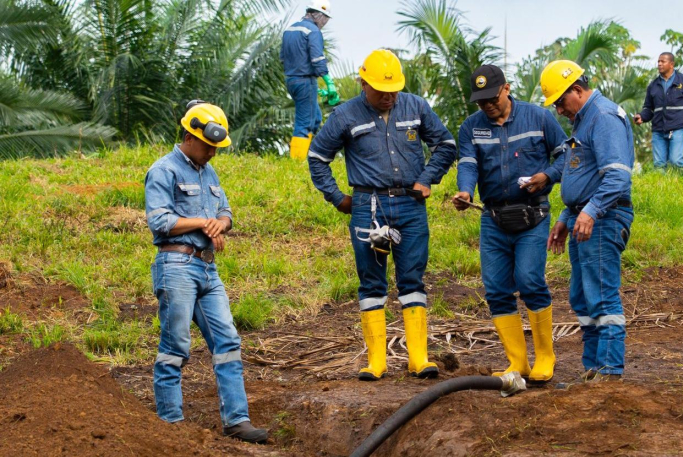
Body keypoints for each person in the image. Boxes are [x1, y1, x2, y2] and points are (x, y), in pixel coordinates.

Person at [308, 49, 457, 381]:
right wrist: (337, 198)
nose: (389, 96)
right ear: (363, 83)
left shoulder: (416, 106)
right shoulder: (344, 115)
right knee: (371, 282)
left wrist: (427, 178)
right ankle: (376, 361)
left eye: (394, 90)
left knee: (412, 280)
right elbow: (317, 158)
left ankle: (418, 359)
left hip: (410, 205)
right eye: (381, 90)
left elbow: (446, 145)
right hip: (368, 206)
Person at [144, 101, 268, 443]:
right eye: (208, 145)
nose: (213, 152)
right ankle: (171, 425)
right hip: (176, 266)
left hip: (207, 268)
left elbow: (225, 212)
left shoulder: (209, 172)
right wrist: (203, 223)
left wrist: (219, 225)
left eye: (216, 147)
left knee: (228, 342)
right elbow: (159, 220)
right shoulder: (163, 170)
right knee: (176, 345)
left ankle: (237, 420)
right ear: (189, 137)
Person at [452, 64, 567, 384]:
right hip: (493, 218)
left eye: (492, 98)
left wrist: (548, 176)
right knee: (497, 289)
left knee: (530, 280)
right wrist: (465, 191)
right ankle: (518, 361)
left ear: (506, 88)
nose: (487, 105)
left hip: (533, 215)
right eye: (481, 101)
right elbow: (468, 164)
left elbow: (566, 156)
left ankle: (545, 356)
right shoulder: (471, 127)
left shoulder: (539, 118)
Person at [540, 60, 635, 383]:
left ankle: (608, 370)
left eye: (560, 102)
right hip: (585, 217)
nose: (559, 111)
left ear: (577, 90)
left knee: (602, 294)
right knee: (582, 297)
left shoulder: (603, 117)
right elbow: (585, 176)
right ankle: (593, 369)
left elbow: (617, 177)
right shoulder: (584, 120)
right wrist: (566, 217)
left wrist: (590, 211)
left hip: (604, 218)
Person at [280, 0, 337, 160]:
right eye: (325, 19)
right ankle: (297, 160)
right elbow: (317, 59)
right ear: (319, 15)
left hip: (292, 80)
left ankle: (307, 153)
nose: (325, 23)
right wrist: (329, 83)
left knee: (316, 117)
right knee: (305, 122)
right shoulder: (313, 31)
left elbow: (283, 58)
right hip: (305, 80)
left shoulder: (290, 29)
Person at [634, 52, 683, 179]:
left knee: (676, 160)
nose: (659, 64)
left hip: (678, 127)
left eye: (663, 61)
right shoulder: (653, 85)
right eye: (658, 61)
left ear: (671, 64)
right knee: (659, 165)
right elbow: (648, 108)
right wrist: (642, 117)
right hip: (658, 130)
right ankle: (662, 188)